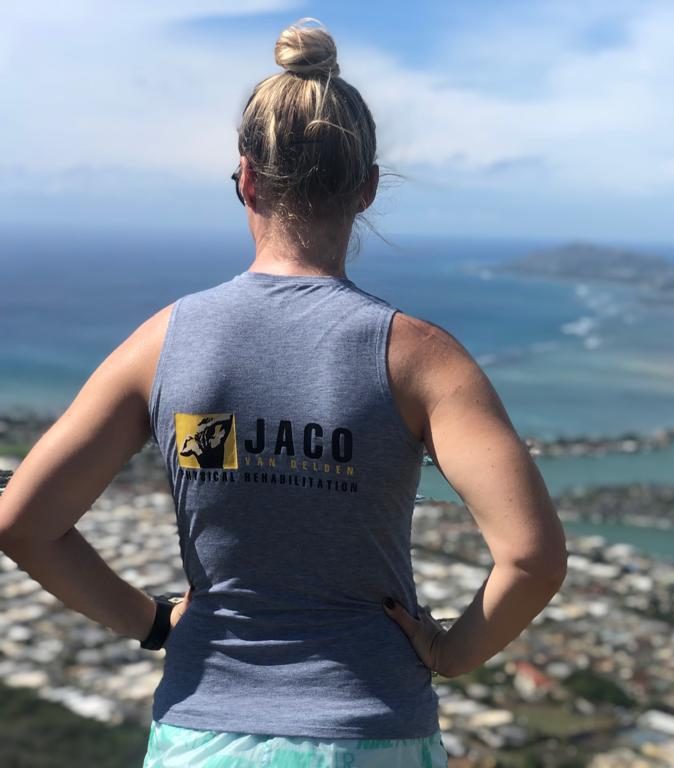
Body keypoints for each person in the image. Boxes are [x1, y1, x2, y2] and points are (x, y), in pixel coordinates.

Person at [0, 17, 568, 767]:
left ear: (245, 177)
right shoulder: (422, 358)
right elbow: (532, 557)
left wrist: (154, 623)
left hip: (202, 733)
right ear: (366, 189)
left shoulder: (164, 342)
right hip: (372, 729)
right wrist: (451, 652)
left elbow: (23, 523)